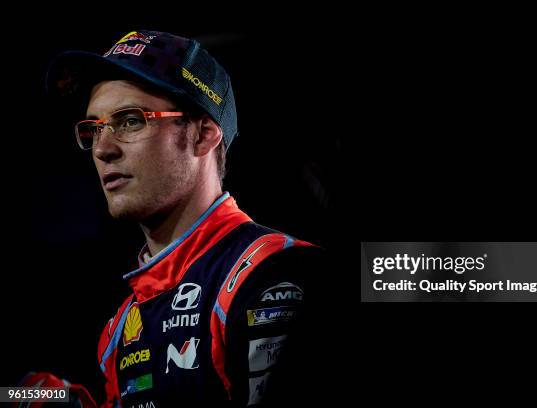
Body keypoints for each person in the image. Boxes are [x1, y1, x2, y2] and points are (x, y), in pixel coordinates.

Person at [25, 30, 323, 407]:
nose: (102, 149)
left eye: (130, 121)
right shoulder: (120, 328)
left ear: (204, 134)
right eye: (94, 128)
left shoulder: (271, 275)